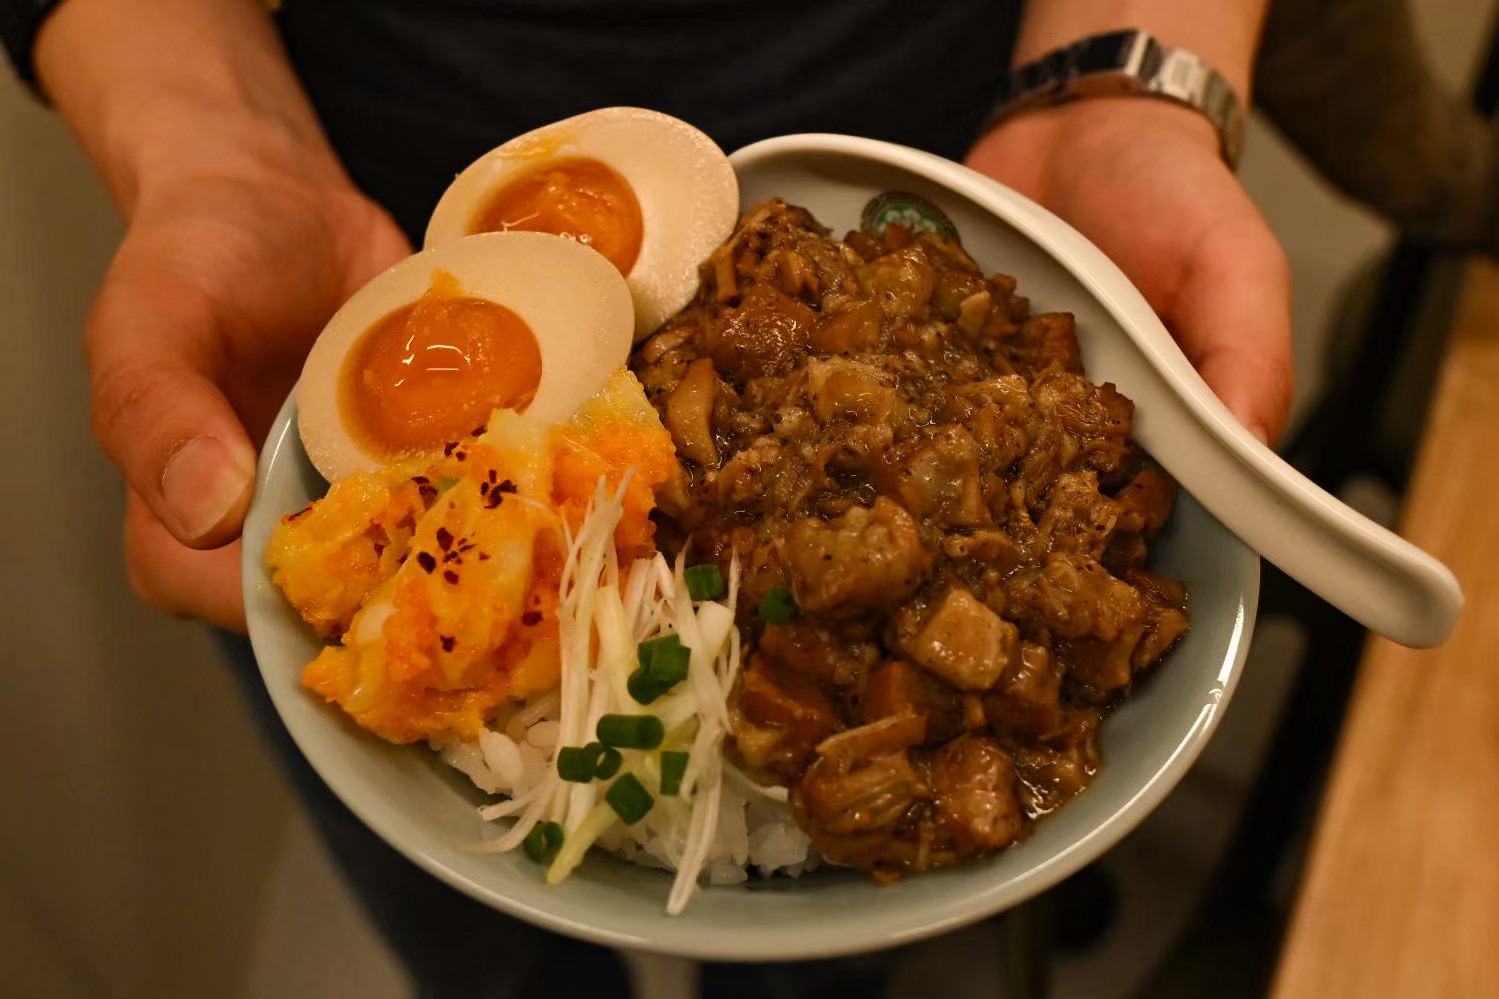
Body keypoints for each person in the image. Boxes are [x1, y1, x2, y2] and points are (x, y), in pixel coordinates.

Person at [2, 1, 1293, 995]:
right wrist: (215, 139)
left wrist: (1121, 77)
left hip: (984, 154)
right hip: (344, 257)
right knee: (487, 962)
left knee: (823, 973)